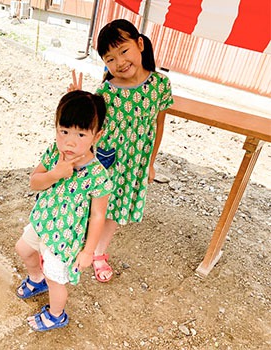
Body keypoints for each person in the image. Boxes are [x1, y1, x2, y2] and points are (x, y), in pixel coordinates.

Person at [68, 19, 174, 283]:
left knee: (116, 210)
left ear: (139, 44)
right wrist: (78, 98)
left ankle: (99, 253)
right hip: (106, 160)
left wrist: (150, 162)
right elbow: (90, 123)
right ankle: (77, 246)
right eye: (110, 58)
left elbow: (158, 125)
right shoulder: (106, 90)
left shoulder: (161, 85)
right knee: (94, 205)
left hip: (134, 163)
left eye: (123, 51)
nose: (119, 62)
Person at [15, 90, 113, 331]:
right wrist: (55, 173)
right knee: (23, 249)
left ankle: (56, 314)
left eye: (81, 134)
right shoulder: (54, 154)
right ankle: (36, 280)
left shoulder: (99, 176)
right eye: (64, 131)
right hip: (43, 222)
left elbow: (98, 215)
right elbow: (34, 181)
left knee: (56, 279)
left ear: (97, 135)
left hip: (66, 239)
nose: (70, 141)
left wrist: (89, 252)